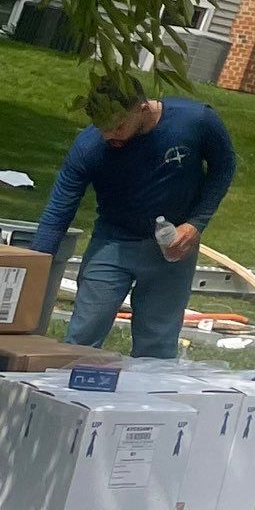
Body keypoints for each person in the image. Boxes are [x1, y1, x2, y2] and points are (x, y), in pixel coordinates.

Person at [32, 85, 237, 360]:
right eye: (101, 127)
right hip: (112, 241)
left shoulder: (196, 120)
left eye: (117, 127)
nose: (108, 136)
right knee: (82, 336)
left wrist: (195, 223)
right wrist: (34, 265)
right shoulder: (90, 146)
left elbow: (224, 167)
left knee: (157, 344)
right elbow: (59, 208)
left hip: (171, 246)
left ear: (142, 109)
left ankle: (146, 399)